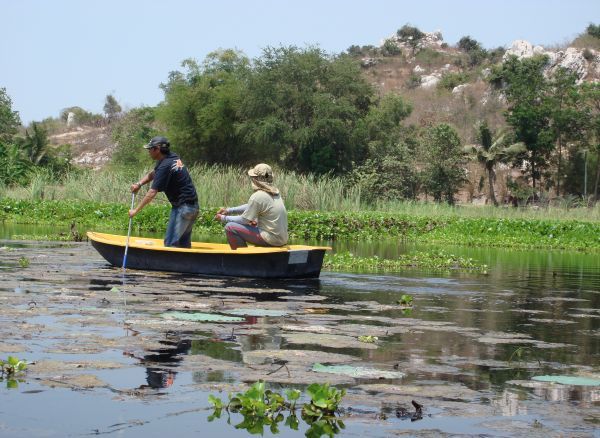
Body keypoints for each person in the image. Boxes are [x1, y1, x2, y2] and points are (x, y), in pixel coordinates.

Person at [129, 136, 199, 248]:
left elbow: (152, 192)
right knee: (183, 245)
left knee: (171, 244)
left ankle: (170, 265)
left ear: (157, 149)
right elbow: (154, 173)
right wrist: (139, 184)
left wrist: (135, 211)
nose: (148, 152)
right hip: (192, 207)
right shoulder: (171, 157)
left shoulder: (165, 165)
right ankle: (185, 264)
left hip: (183, 208)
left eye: (150, 149)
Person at [214, 163, 288, 250]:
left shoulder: (258, 196)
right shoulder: (276, 193)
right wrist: (229, 210)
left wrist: (223, 218)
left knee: (230, 227)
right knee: (252, 223)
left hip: (271, 239)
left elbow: (244, 220)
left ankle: (243, 258)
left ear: (256, 179)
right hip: (282, 239)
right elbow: (250, 206)